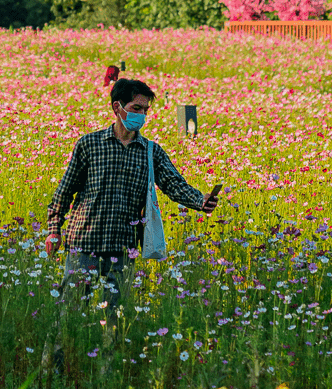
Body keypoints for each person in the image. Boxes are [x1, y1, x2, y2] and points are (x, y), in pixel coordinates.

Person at [42, 76, 220, 363]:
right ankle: (53, 374)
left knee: (116, 322)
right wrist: (54, 230)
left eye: (145, 110)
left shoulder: (150, 152)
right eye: (136, 108)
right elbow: (64, 191)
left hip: (123, 250)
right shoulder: (89, 145)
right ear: (117, 107)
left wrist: (200, 201)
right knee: (68, 315)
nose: (141, 115)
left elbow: (175, 184)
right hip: (83, 245)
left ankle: (106, 379)